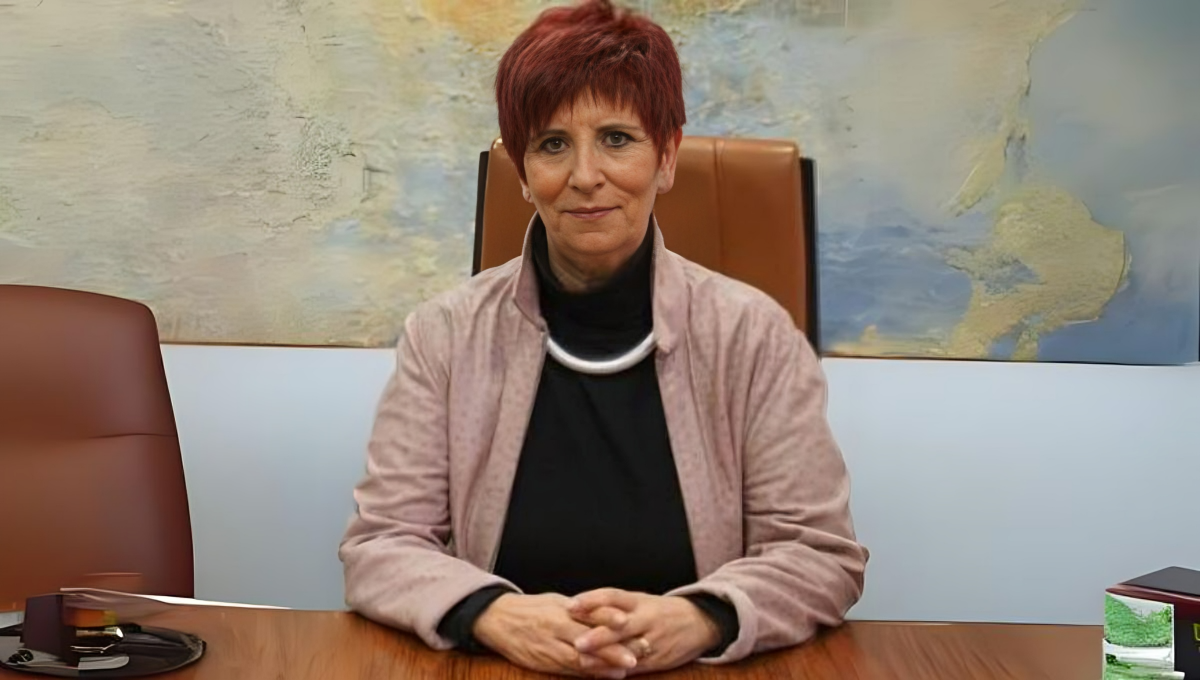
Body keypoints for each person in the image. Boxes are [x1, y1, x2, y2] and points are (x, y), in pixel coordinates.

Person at [339, 0, 868, 676]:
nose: (585, 175)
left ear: (666, 157)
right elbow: (382, 545)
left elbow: (819, 554)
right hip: (505, 666)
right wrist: (495, 614)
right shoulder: (444, 335)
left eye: (617, 138)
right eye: (552, 144)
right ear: (523, 174)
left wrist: (700, 618)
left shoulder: (754, 336)